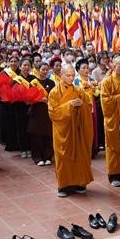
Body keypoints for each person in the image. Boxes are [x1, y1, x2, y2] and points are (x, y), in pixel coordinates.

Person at [48, 64, 94, 197]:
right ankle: (64, 186)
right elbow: (53, 112)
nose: (71, 77)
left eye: (73, 75)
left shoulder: (79, 90)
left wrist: (82, 106)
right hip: (63, 130)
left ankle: (79, 183)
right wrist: (69, 105)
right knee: (63, 157)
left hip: (77, 130)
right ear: (61, 75)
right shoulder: (55, 92)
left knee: (80, 156)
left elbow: (88, 105)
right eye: (68, 75)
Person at [99, 57, 120, 187]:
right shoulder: (107, 83)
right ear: (113, 66)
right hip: (113, 120)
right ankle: (114, 175)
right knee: (113, 148)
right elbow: (105, 103)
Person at [28, 62, 56, 166]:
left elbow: (54, 96)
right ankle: (37, 157)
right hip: (36, 111)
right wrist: (39, 99)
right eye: (43, 69)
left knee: (48, 135)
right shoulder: (33, 82)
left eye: (46, 70)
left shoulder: (51, 82)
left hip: (48, 111)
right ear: (38, 70)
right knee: (36, 136)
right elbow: (29, 98)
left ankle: (48, 156)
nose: (45, 71)